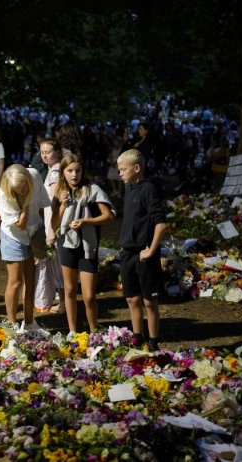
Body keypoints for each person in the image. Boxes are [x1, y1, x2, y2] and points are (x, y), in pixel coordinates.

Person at [50, 153, 116, 335]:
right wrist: (62, 206)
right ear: (62, 172)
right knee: (70, 290)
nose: (74, 174)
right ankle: (72, 331)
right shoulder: (59, 191)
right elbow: (54, 224)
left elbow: (109, 216)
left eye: (78, 170)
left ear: (83, 171)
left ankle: (94, 332)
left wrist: (87, 222)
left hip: (88, 246)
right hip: (67, 245)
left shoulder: (93, 189)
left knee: (88, 295)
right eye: (70, 170)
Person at [116, 149, 167, 352]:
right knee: (132, 298)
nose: (120, 173)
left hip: (143, 254)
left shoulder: (148, 189)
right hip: (127, 252)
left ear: (136, 168)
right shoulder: (129, 188)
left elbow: (161, 224)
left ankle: (153, 341)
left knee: (149, 301)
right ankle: (137, 337)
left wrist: (151, 250)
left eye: (123, 169)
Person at [0, 164, 51, 332]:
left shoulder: (35, 175)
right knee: (15, 282)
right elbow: (20, 225)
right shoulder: (5, 192)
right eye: (17, 189)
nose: (21, 191)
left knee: (31, 280)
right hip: (14, 236)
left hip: (34, 232)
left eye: (24, 187)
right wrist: (26, 201)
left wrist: (42, 231)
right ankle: (12, 325)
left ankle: (29, 323)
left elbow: (42, 206)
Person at [34, 138, 65, 314]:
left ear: (57, 152)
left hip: (52, 221)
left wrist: (51, 230)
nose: (45, 155)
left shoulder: (54, 172)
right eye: (42, 152)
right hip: (51, 219)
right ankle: (61, 301)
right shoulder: (55, 170)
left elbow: (54, 201)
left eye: (48, 152)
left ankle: (63, 303)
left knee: (56, 263)